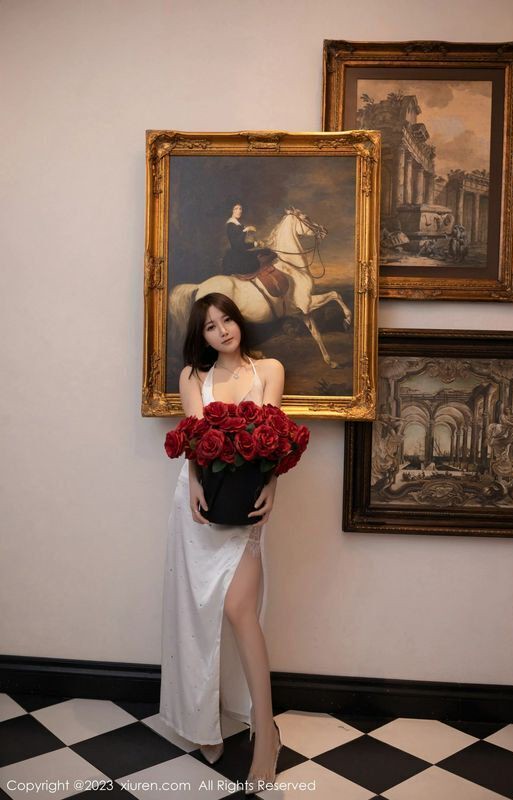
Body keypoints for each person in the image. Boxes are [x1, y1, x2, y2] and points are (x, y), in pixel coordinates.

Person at [159, 291, 285, 793]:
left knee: (238, 610)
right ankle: (202, 722)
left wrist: (272, 488)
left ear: (239, 321)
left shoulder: (268, 369)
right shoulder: (194, 376)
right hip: (198, 503)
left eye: (226, 320)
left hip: (246, 500)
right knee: (198, 612)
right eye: (210, 326)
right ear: (203, 336)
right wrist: (193, 483)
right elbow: (194, 437)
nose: (222, 331)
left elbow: (273, 437)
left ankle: (266, 735)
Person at [222, 203, 277, 275]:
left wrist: (256, 243)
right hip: (237, 258)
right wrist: (246, 230)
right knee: (267, 253)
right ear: (231, 210)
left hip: (240, 254)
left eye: (240, 209)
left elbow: (242, 245)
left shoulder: (237, 225)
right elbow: (237, 245)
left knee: (267, 251)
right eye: (236, 209)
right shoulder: (231, 225)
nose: (239, 211)